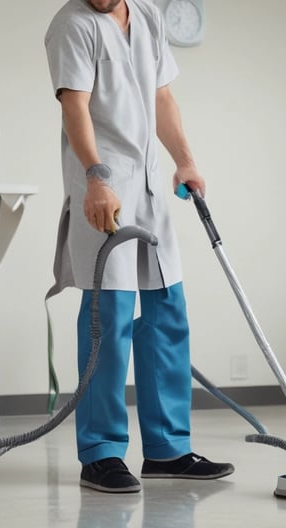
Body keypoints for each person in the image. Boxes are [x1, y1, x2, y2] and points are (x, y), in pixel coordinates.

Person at [45, 0, 234, 494]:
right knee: (108, 318)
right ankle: (102, 453)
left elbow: (162, 98)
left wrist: (185, 160)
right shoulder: (72, 25)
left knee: (167, 312)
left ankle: (168, 449)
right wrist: (94, 178)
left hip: (150, 187)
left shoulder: (148, 17)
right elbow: (75, 105)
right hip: (105, 190)